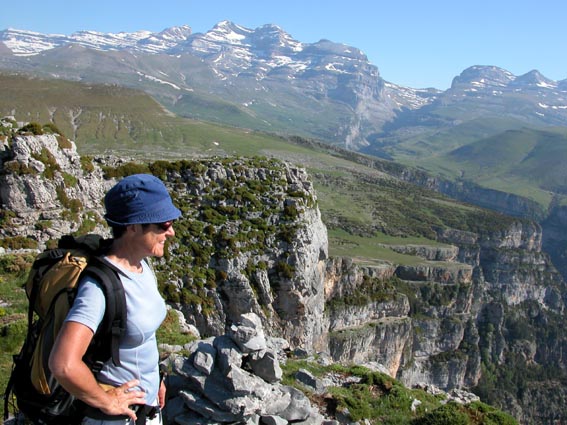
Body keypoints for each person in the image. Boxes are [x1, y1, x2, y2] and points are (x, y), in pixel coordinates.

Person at [49, 173, 182, 425]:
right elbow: (63, 364)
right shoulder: (99, 287)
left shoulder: (142, 266)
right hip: (116, 419)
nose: (171, 232)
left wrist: (156, 380)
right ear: (133, 226)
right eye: (163, 225)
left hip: (147, 409)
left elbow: (142, 336)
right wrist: (106, 401)